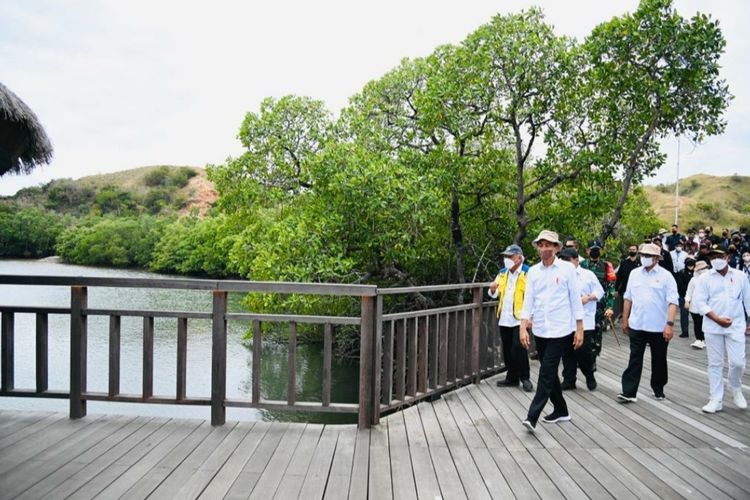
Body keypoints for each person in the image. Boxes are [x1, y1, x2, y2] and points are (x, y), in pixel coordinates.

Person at [518, 230, 584, 433]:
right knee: (550, 372)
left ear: (556, 248)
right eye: (542, 245)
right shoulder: (534, 271)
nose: (545, 249)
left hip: (561, 328)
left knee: (546, 372)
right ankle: (562, 410)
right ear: (537, 247)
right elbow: (528, 299)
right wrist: (523, 326)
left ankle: (532, 416)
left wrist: (579, 328)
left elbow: (575, 298)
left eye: (549, 245)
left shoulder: (567, 270)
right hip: (541, 329)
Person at [618, 243, 678, 403]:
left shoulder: (667, 276)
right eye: (642, 255)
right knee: (634, 358)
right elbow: (627, 297)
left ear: (657, 258)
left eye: (648, 256)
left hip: (658, 326)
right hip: (637, 324)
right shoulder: (634, 274)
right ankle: (629, 391)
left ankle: (658, 388)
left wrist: (669, 324)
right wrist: (625, 320)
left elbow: (673, 302)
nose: (644, 258)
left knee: (659, 359)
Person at [693, 245, 750, 413]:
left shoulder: (740, 276)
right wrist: (717, 318)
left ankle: (736, 387)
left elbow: (748, 300)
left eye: (719, 256)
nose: (716, 259)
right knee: (715, 363)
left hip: (736, 325)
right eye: (712, 257)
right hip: (713, 326)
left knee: (738, 362)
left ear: (727, 257)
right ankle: (716, 399)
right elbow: (699, 303)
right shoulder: (704, 278)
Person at [488, 244, 533, 392]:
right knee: (507, 348)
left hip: (520, 318)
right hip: (504, 317)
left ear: (519, 258)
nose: (507, 259)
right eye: (506, 256)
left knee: (519, 348)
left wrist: (530, 317)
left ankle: (525, 378)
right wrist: (493, 289)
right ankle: (511, 377)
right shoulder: (502, 273)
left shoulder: (528, 273)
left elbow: (534, 296)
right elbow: (493, 293)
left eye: (510, 256)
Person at [560, 247, 602, 391]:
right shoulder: (560, 275)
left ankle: (589, 375)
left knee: (584, 352)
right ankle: (569, 379)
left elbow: (600, 291)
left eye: (568, 259)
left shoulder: (588, 274)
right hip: (566, 320)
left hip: (585, 320)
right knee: (567, 352)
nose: (564, 262)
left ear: (577, 260)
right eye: (563, 259)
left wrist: (589, 297)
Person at [580, 240, 615, 363]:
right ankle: (582, 358)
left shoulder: (606, 266)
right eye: (592, 249)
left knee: (596, 332)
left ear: (601, 250)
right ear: (587, 250)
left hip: (599, 305)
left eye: (597, 249)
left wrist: (610, 306)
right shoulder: (581, 264)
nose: (594, 251)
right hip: (583, 304)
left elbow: (611, 287)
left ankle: (593, 359)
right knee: (582, 330)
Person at [684, 260, 709, 349]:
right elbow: (689, 291)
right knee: (697, 323)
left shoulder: (710, 279)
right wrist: (687, 301)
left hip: (707, 306)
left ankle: (705, 339)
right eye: (701, 269)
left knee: (705, 323)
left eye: (705, 268)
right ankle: (699, 339)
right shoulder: (694, 279)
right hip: (694, 306)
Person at [615, 244, 641, 320]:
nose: (632, 251)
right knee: (625, 307)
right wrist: (616, 289)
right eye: (630, 250)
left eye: (633, 250)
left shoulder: (640, 263)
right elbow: (619, 276)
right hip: (625, 289)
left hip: (637, 289)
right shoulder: (624, 263)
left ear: (637, 251)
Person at [674, 257, 696, 338]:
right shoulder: (682, 272)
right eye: (688, 264)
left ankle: (699, 332)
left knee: (697, 316)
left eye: (692, 264)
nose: (690, 266)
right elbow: (679, 285)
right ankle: (685, 331)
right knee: (684, 315)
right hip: (683, 296)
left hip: (695, 296)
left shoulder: (696, 273)